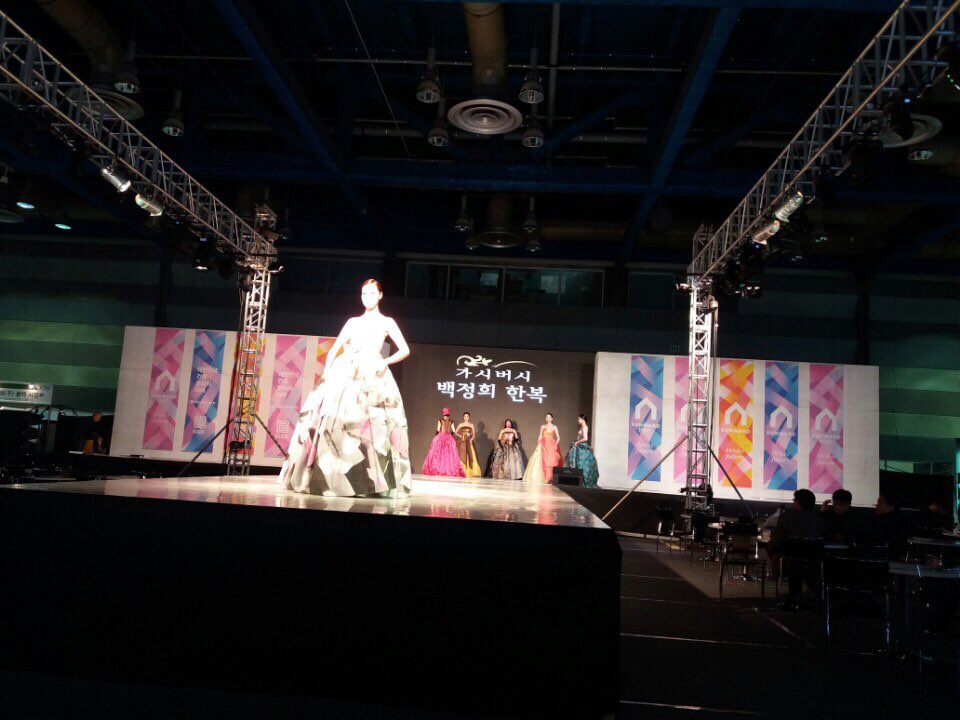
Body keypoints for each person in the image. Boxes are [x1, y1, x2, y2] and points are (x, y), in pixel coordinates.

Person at [278, 279, 412, 497]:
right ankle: (328, 479)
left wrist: (384, 362)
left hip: (373, 375)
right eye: (364, 293)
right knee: (334, 425)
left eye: (371, 293)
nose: (367, 297)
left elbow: (404, 349)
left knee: (373, 428)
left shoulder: (387, 322)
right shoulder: (352, 322)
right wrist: (327, 375)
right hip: (345, 373)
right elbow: (334, 349)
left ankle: (373, 483)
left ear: (380, 295)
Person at [768, 488, 825, 608]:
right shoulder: (820, 518)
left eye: (794, 500)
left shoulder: (787, 517)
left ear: (798, 502)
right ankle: (818, 599)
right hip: (815, 561)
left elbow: (777, 538)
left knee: (775, 550)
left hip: (792, 559)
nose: (793, 502)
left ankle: (793, 597)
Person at [422, 408, 466, 477]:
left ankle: (438, 469)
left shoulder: (440, 420)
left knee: (438, 454)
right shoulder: (451, 421)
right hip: (449, 438)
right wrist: (458, 435)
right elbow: (454, 431)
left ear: (443, 413)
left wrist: (436, 438)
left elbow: (437, 430)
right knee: (449, 455)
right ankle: (447, 470)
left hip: (440, 437)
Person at [522, 412, 563, 484]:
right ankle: (541, 477)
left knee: (550, 460)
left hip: (551, 445)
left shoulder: (554, 427)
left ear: (552, 418)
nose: (547, 418)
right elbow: (540, 436)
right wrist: (538, 443)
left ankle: (549, 477)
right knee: (539, 459)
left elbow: (558, 437)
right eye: (546, 417)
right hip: (543, 444)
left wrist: (556, 444)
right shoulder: (543, 426)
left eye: (549, 417)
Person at [565, 413, 599, 487]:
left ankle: (584, 482)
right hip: (578, 446)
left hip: (582, 447)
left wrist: (577, 442)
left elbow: (585, 438)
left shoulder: (585, 427)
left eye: (579, 419)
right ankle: (576, 481)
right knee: (576, 463)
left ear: (582, 419)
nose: (578, 420)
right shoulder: (582, 427)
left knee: (582, 464)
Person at [454, 411, 482, 477]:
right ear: (463, 417)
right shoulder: (461, 424)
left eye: (467, 416)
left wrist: (471, 439)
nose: (466, 417)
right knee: (461, 454)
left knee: (470, 454)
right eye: (465, 416)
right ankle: (461, 470)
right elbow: (455, 432)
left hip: (468, 440)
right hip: (462, 441)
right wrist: (460, 436)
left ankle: (469, 471)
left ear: (469, 417)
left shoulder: (471, 425)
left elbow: (473, 434)